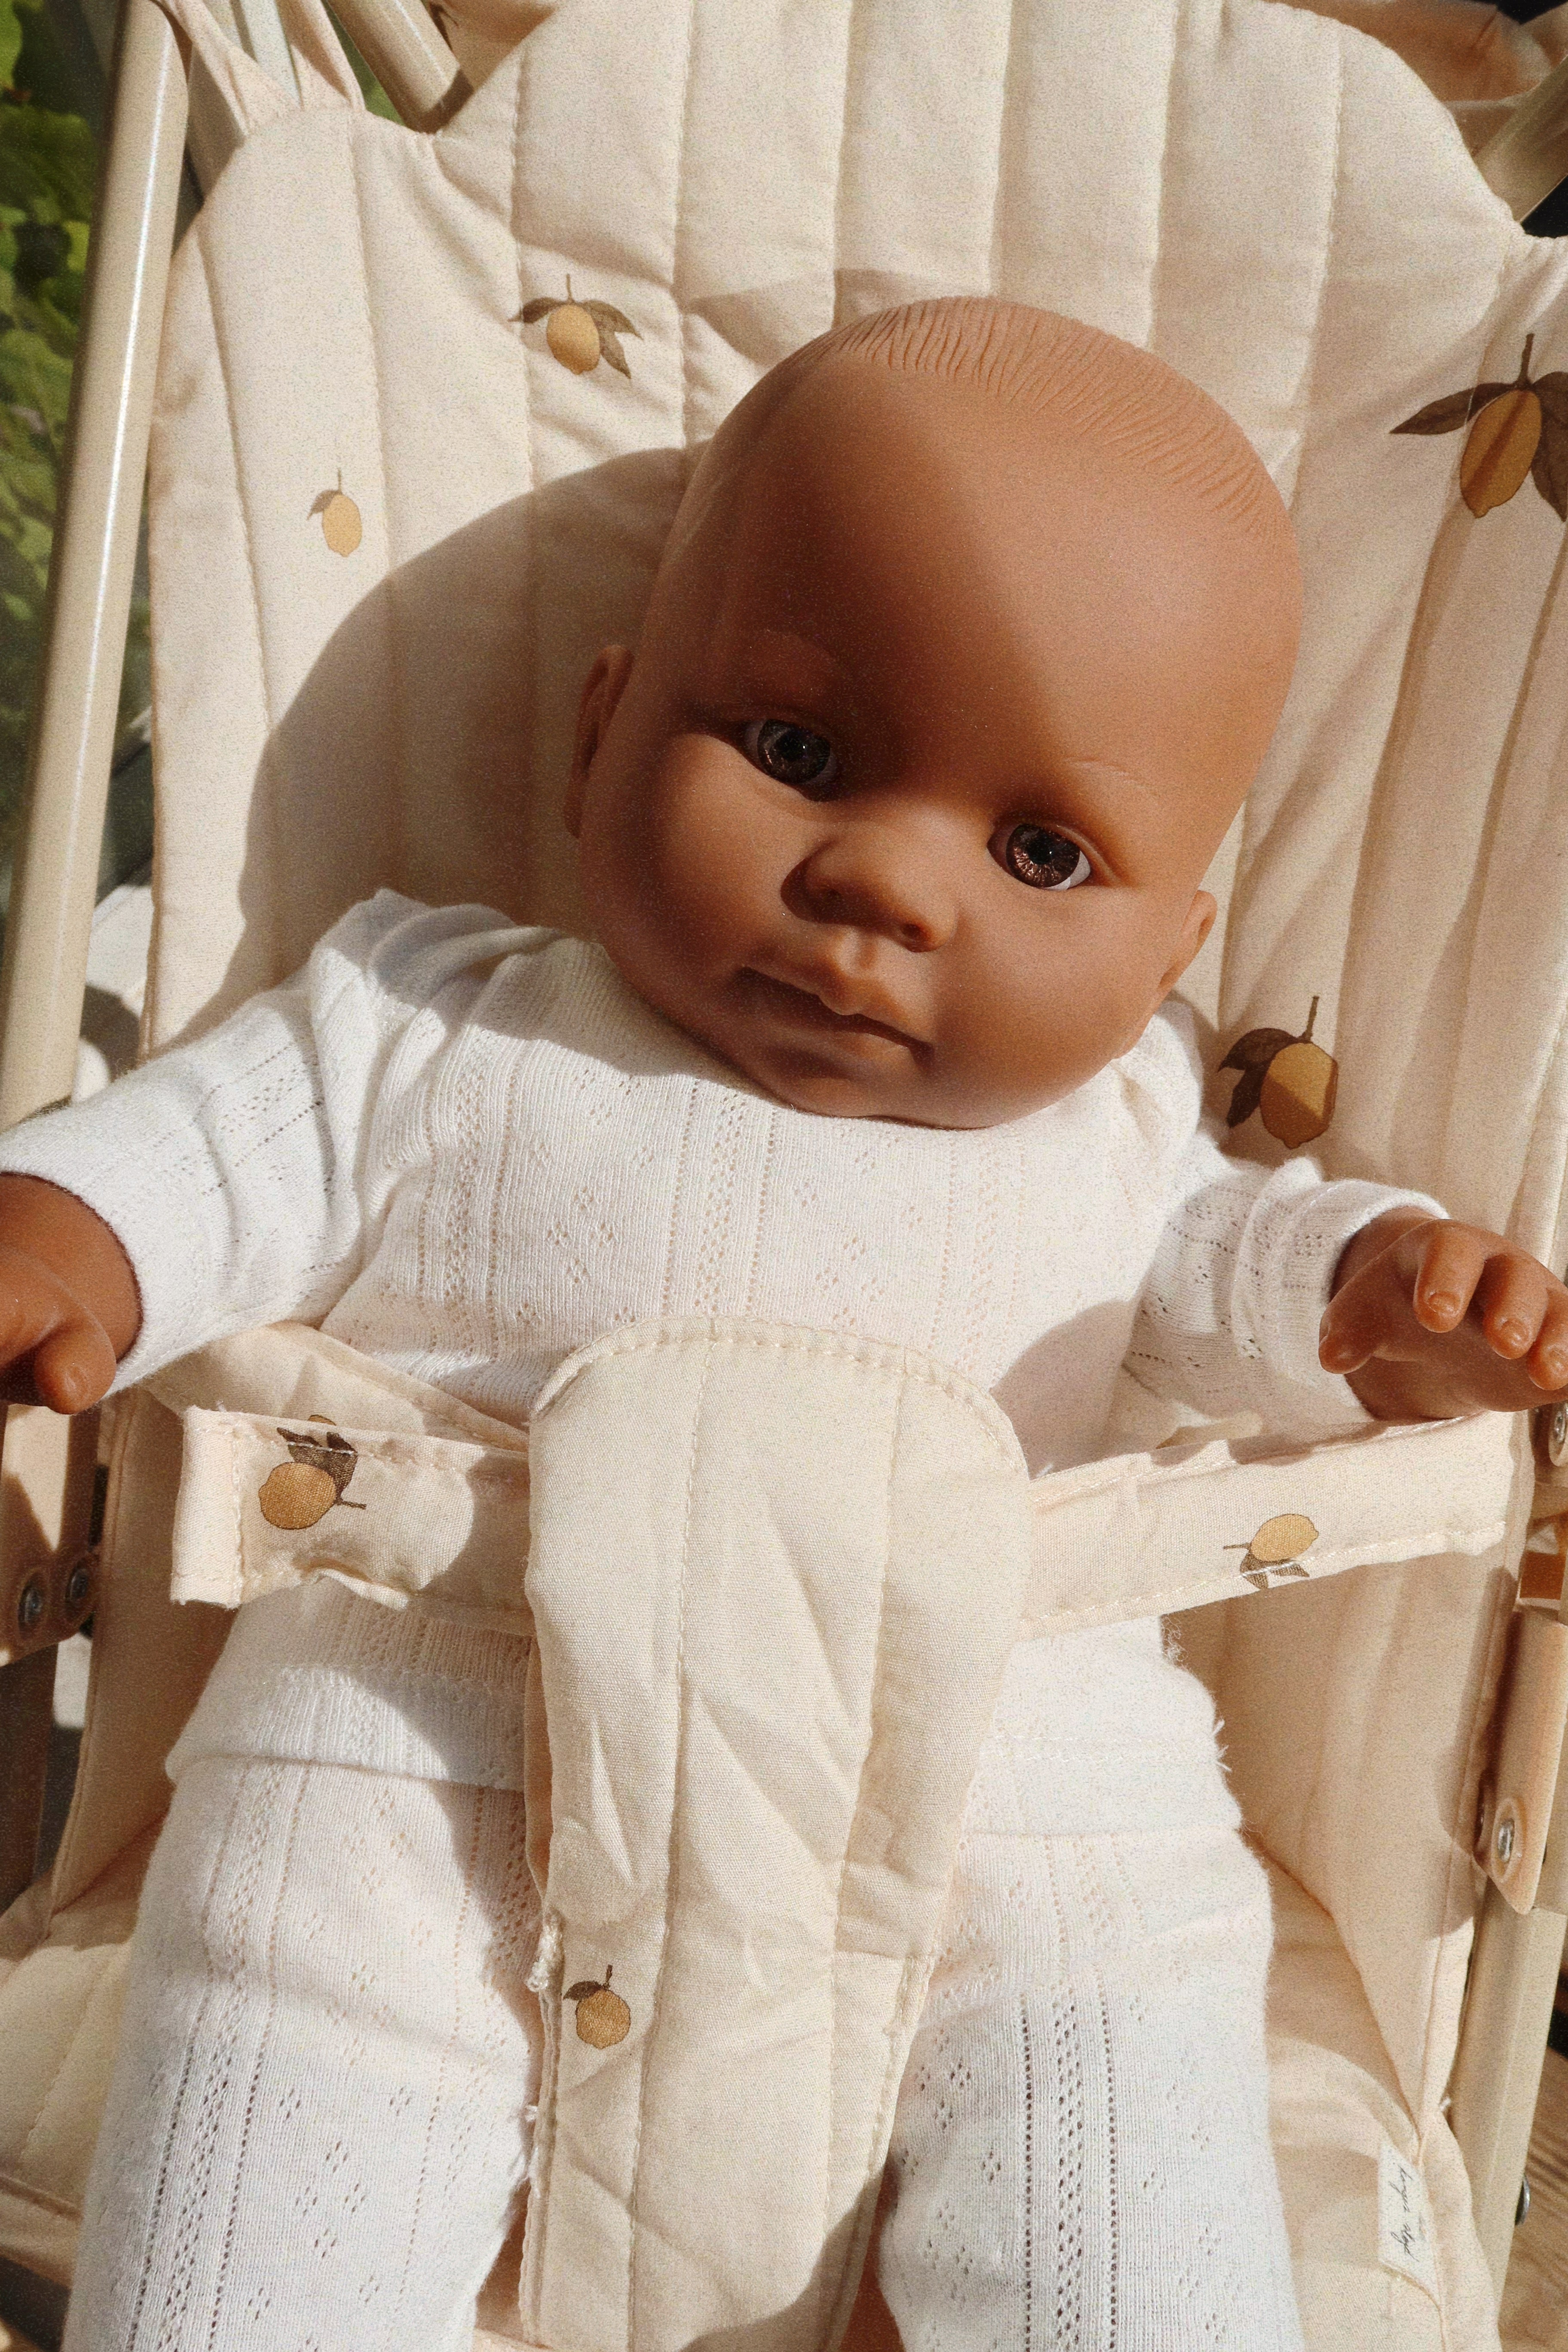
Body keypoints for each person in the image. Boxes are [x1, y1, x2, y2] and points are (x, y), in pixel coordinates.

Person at [2, 299, 1562, 2351]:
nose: (884, 885)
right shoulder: (427, 1021)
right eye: (801, 753)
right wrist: (67, 1234)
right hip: (428, 1743)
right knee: (290, 2020)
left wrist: (1390, 1296)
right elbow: (204, 1156)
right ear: (599, 733)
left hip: (1005, 1787)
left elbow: (1254, 1270)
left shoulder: (1121, 1143)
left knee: (1122, 2081)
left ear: (1174, 947)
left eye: (1042, 851)